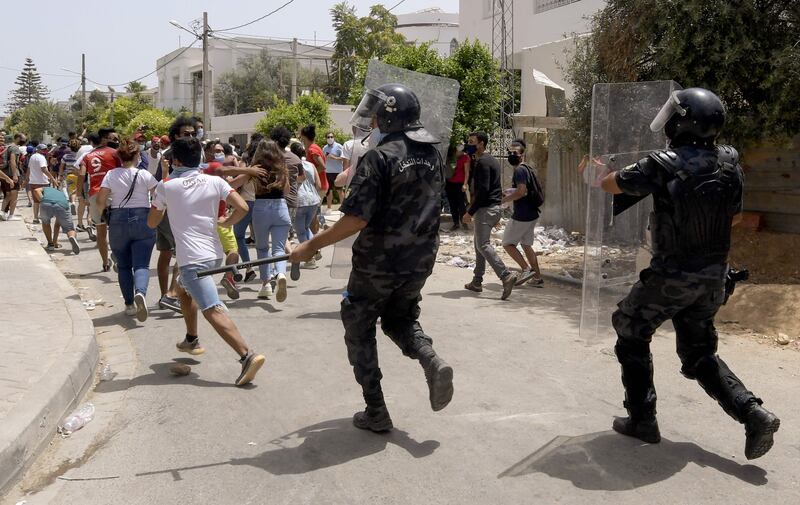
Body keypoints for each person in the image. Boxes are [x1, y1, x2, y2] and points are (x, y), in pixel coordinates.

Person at [599, 87, 780, 460]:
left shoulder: (663, 162)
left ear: (684, 120)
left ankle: (642, 420)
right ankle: (752, 412)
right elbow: (733, 217)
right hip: (714, 276)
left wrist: (601, 171)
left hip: (673, 274)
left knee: (630, 328)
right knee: (699, 353)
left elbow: (611, 184)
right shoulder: (730, 163)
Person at [290, 83, 454, 433]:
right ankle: (429, 358)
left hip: (378, 262)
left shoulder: (381, 157)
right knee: (400, 318)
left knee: (359, 326)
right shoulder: (433, 154)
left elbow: (355, 219)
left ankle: (376, 411)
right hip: (420, 259)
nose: (374, 121)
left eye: (378, 115)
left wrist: (310, 246)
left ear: (389, 116)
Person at [148, 136, 266, 386]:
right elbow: (242, 207)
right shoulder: (215, 182)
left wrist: (164, 206)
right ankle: (191, 338)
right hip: (214, 255)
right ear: (200, 157)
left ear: (175, 160)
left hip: (192, 258)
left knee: (211, 308)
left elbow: (152, 222)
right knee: (182, 288)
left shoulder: (166, 186)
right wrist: (226, 222)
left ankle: (247, 355)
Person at [97, 136, 158, 322]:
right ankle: (141, 293)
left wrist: (106, 213)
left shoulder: (111, 175)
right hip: (143, 218)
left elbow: (100, 201)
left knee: (123, 265)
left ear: (120, 157)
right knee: (141, 264)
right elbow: (158, 196)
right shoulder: (145, 175)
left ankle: (129, 304)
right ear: (137, 155)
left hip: (118, 219)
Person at [462, 131, 518, 299]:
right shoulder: (490, 160)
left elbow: (484, 190)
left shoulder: (484, 163)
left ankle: (505, 275)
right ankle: (477, 281)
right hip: (492, 208)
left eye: (472, 142)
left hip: (485, 209)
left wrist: (469, 212)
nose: (468, 145)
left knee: (483, 245)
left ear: (481, 144)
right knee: (479, 244)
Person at [250, 139, 292, 302]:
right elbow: (287, 190)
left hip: (261, 207)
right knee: (279, 248)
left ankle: (266, 283)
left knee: (261, 247)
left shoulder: (255, 168)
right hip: (280, 208)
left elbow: (237, 183)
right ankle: (280, 273)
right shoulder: (281, 167)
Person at [500, 139, 544, 287]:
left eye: (515, 152)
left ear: (522, 154)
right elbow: (523, 191)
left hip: (522, 215)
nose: (511, 154)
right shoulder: (526, 168)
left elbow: (521, 191)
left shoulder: (519, 170)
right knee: (526, 245)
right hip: (532, 214)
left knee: (507, 243)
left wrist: (504, 200)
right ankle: (537, 278)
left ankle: (526, 270)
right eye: (510, 151)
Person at [78, 128, 121, 271]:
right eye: (110, 138)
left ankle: (105, 262)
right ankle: (115, 254)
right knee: (116, 228)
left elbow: (82, 175)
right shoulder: (114, 153)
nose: (113, 140)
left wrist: (80, 195)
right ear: (104, 139)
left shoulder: (87, 156)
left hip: (94, 194)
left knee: (101, 232)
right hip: (111, 193)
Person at [203, 140, 240, 300]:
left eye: (221, 151)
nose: (219, 154)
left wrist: (248, 175)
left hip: (206, 220)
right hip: (219, 219)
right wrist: (250, 170)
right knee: (233, 251)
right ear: (207, 152)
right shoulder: (212, 167)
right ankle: (227, 277)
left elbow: (232, 184)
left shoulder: (211, 172)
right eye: (216, 151)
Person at [290, 141, 321, 267]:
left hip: (299, 200)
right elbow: (318, 185)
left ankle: (309, 258)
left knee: (301, 232)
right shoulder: (311, 165)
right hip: (313, 199)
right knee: (306, 227)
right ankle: (316, 249)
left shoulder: (292, 165)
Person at [33, 185, 80, 255]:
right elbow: (57, 225)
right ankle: (71, 237)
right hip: (62, 205)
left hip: (46, 203)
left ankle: (50, 244)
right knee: (70, 228)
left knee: (46, 223)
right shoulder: (61, 193)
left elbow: (36, 190)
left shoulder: (45, 188)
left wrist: (43, 200)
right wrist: (56, 242)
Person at [27, 144, 58, 224]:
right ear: (38, 150)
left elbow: (29, 169)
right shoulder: (41, 157)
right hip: (42, 182)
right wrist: (52, 178)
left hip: (33, 181)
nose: (45, 151)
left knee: (36, 201)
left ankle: (35, 218)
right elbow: (44, 169)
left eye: (45, 149)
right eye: (43, 149)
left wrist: (27, 180)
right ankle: (44, 216)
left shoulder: (32, 157)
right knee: (44, 200)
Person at [1, 133, 27, 221]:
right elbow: (13, 161)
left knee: (7, 195)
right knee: (14, 196)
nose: (25, 140)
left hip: (4, 174)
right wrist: (15, 174)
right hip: (12, 174)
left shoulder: (8, 147)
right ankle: (11, 215)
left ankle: (2, 212)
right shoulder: (15, 148)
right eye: (24, 138)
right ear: (18, 138)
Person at [445, 142, 470, 231]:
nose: (457, 153)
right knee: (452, 204)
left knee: (461, 204)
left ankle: (464, 222)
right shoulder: (450, 157)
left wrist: (465, 184)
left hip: (459, 184)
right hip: (449, 183)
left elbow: (467, 172)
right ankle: (456, 223)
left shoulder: (465, 157)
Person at [322, 131, 345, 212]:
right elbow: (322, 159)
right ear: (326, 138)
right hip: (328, 172)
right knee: (329, 190)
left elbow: (344, 158)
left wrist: (334, 158)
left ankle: (343, 208)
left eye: (331, 137)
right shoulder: (324, 148)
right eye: (328, 137)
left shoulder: (339, 146)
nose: (330, 138)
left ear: (334, 137)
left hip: (337, 172)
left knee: (339, 190)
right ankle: (329, 208)